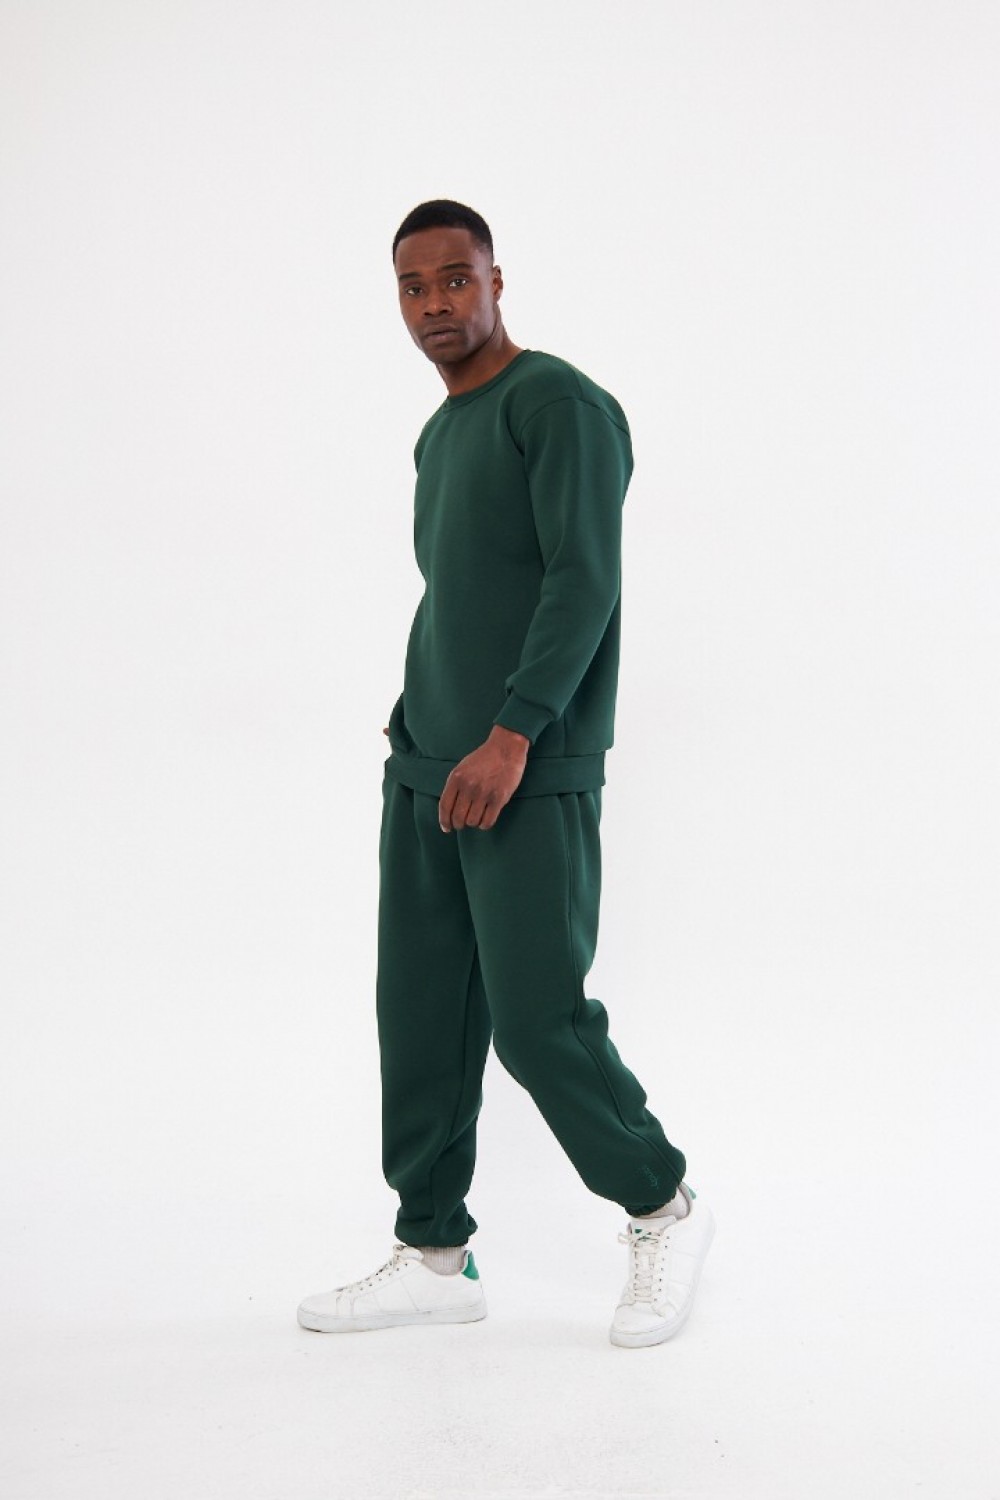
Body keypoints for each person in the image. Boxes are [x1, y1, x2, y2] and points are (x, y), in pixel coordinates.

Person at [297, 199, 714, 1348]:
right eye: (412, 286)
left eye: (454, 278)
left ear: (495, 280)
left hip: (521, 764)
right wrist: (417, 735)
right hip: (428, 765)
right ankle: (435, 1254)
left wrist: (515, 732)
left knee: (538, 1024)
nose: (434, 303)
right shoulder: (440, 432)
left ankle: (662, 1204)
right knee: (420, 1019)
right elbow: (457, 593)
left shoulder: (558, 404)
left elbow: (584, 580)